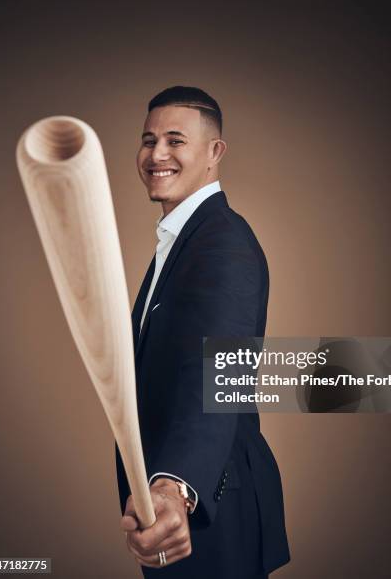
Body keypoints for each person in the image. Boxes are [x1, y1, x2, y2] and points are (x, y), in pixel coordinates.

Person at [116, 86, 290, 578]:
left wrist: (175, 485)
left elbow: (219, 370)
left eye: (175, 140)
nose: (157, 154)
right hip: (181, 505)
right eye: (148, 141)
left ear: (215, 153)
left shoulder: (223, 242)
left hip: (208, 505)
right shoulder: (181, 239)